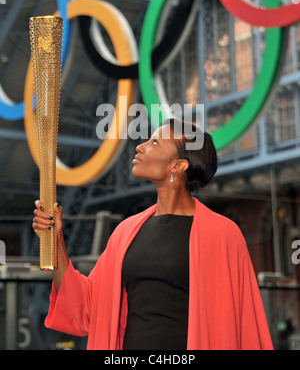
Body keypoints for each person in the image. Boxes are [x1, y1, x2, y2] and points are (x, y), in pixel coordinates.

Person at [33, 117, 273, 350]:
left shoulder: (222, 234)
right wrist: (55, 242)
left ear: (178, 166)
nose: (140, 146)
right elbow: (87, 306)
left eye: (155, 143)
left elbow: (246, 325)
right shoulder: (126, 232)